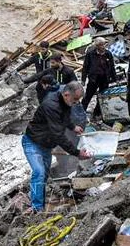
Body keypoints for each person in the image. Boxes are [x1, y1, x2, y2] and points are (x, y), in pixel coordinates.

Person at [22, 82, 93, 212]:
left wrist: (73, 127)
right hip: (33, 143)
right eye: (75, 99)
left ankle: (39, 202)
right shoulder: (51, 106)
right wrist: (76, 153)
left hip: (46, 145)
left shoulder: (64, 101)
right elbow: (58, 135)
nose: (77, 103)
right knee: (39, 171)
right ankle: (37, 209)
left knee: (44, 175)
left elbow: (64, 117)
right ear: (66, 95)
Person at [81, 37, 117, 118]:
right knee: (88, 96)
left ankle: (97, 113)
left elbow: (112, 67)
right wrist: (83, 79)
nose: (103, 47)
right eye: (101, 45)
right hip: (93, 78)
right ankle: (81, 111)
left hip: (104, 79)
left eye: (104, 44)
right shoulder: (90, 54)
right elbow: (85, 67)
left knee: (102, 96)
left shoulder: (108, 54)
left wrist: (114, 79)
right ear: (97, 46)